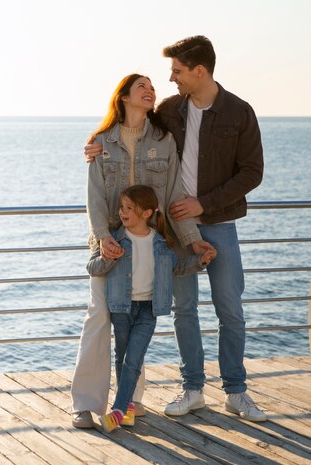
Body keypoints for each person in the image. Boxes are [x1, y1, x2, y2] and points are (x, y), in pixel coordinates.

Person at [84, 36, 266, 422]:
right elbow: (132, 133)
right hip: (171, 228)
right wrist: (94, 146)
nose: (171, 79)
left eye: (177, 71)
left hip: (218, 223)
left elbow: (253, 172)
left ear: (199, 71)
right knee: (184, 310)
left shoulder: (239, 112)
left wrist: (205, 203)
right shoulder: (169, 111)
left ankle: (236, 392)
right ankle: (193, 388)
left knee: (230, 310)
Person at [71, 73, 214, 429]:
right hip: (110, 248)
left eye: (153, 87)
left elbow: (173, 195)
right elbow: (94, 197)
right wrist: (103, 236)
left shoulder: (164, 141)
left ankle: (131, 400)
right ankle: (86, 403)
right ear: (123, 97)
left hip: (147, 246)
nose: (151, 91)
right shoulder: (102, 142)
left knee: (134, 318)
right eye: (142, 87)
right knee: (100, 317)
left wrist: (191, 238)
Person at [88, 185, 216, 432]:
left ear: (147, 213)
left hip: (149, 309)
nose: (122, 212)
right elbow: (92, 268)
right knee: (122, 357)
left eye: (129, 208)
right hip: (121, 308)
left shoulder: (161, 242)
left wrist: (199, 262)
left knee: (133, 359)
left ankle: (117, 409)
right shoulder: (114, 238)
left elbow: (176, 268)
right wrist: (107, 258)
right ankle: (126, 411)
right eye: (121, 207)